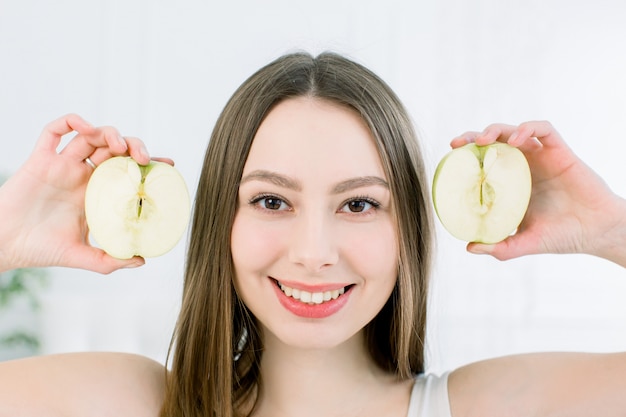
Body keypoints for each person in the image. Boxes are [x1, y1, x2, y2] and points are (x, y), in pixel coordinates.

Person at [0, 52, 625, 417]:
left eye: (358, 204)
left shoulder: (478, 408)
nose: (313, 253)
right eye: (272, 200)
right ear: (223, 218)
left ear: (407, 227)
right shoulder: (131, 403)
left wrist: (607, 228)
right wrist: (9, 234)